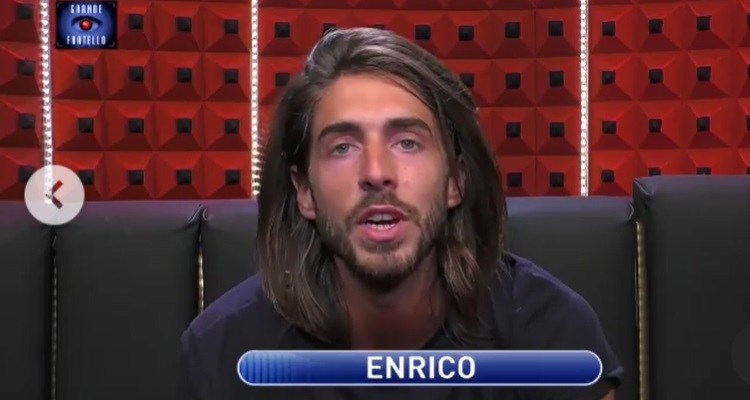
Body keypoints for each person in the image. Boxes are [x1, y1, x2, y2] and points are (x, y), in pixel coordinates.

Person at [178, 27, 623, 400]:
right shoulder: (227, 353)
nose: (376, 173)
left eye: (407, 142)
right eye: (343, 147)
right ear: (304, 192)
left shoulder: (550, 335)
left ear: (455, 181)